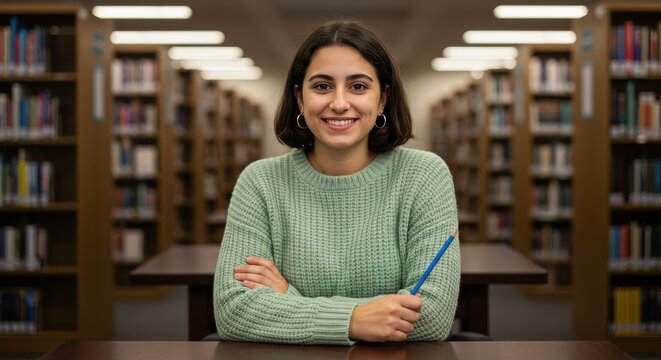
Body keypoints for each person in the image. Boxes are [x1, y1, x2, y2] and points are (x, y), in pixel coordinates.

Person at [213, 19, 460, 345]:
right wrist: (354, 320)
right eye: (322, 86)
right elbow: (232, 311)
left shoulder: (425, 175)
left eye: (358, 86)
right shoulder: (261, 182)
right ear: (300, 99)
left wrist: (289, 299)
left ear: (382, 99)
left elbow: (432, 316)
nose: (340, 103)